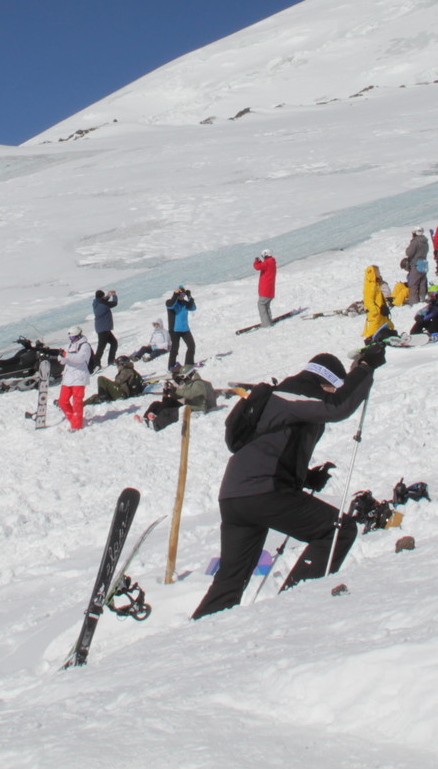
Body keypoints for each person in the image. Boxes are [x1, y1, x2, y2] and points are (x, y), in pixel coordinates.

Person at [191, 345, 385, 619]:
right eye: (331, 388)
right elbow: (339, 406)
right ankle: (293, 608)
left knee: (230, 579)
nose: (327, 395)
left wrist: (305, 476)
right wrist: (366, 369)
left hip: (235, 497)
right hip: (263, 491)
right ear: (324, 381)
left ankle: (198, 637)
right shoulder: (295, 393)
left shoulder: (279, 396)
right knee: (339, 530)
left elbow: (270, 447)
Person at [59, 329, 91, 430]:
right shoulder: (69, 346)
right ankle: (74, 419)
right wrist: (61, 356)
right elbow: (62, 361)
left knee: (77, 402)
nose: (71, 339)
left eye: (72, 337)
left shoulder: (85, 346)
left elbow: (80, 358)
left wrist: (66, 355)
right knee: (62, 401)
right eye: (70, 338)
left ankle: (77, 425)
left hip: (79, 377)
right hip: (68, 377)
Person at [165, 286, 197, 371]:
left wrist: (189, 297)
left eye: (183, 294)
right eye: (180, 295)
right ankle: (171, 367)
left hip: (185, 329)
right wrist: (175, 294)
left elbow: (193, 308)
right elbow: (171, 304)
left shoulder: (185, 304)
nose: (182, 296)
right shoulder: (170, 302)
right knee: (175, 349)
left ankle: (189, 364)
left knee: (191, 346)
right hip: (174, 330)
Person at [360, 266, 393, 342]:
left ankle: (390, 336)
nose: (379, 274)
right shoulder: (370, 285)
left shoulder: (376, 284)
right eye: (378, 272)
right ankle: (370, 342)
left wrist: (385, 307)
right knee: (373, 331)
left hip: (382, 312)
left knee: (388, 326)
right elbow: (368, 301)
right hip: (375, 315)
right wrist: (376, 311)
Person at [92, 289, 119, 366]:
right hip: (104, 329)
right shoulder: (103, 305)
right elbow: (114, 303)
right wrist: (114, 295)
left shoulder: (96, 303)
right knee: (101, 347)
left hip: (102, 328)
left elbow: (102, 301)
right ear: (102, 297)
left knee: (113, 343)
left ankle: (110, 361)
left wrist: (108, 296)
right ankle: (96, 364)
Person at [401, 229, 431, 296]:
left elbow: (408, 253)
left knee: (413, 285)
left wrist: (410, 245)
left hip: (416, 264)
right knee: (422, 283)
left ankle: (414, 303)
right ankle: (422, 298)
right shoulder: (425, 241)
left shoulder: (415, 242)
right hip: (424, 264)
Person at [253, 253, 277, 329]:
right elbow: (262, 266)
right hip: (269, 290)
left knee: (261, 305)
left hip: (265, 290)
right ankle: (269, 321)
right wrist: (260, 262)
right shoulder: (271, 262)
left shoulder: (267, 262)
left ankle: (266, 324)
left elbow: (257, 267)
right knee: (266, 306)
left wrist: (256, 261)